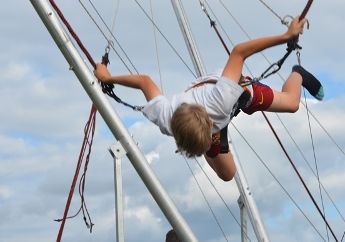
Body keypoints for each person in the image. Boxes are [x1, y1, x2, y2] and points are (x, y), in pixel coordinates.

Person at [94, 16, 324, 182]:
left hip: (238, 93)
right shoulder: (166, 117)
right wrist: (108, 77)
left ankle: (298, 74)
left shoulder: (221, 99)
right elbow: (144, 82)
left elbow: (239, 52)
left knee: (292, 104)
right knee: (228, 175)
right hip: (207, 115)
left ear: (212, 124)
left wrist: (286, 36)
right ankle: (214, 138)